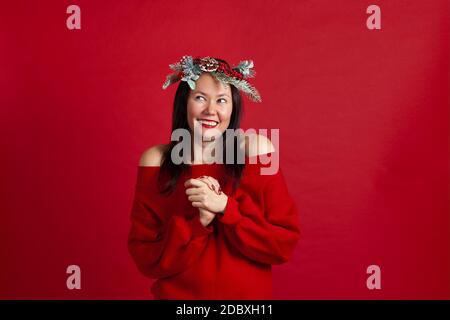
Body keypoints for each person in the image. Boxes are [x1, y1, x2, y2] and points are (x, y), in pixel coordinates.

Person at [127, 56, 300, 299]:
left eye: (222, 100)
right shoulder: (155, 161)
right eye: (200, 98)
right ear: (184, 103)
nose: (211, 110)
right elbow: (146, 257)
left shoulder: (258, 151)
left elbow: (282, 244)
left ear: (233, 107)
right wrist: (199, 222)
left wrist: (226, 208)